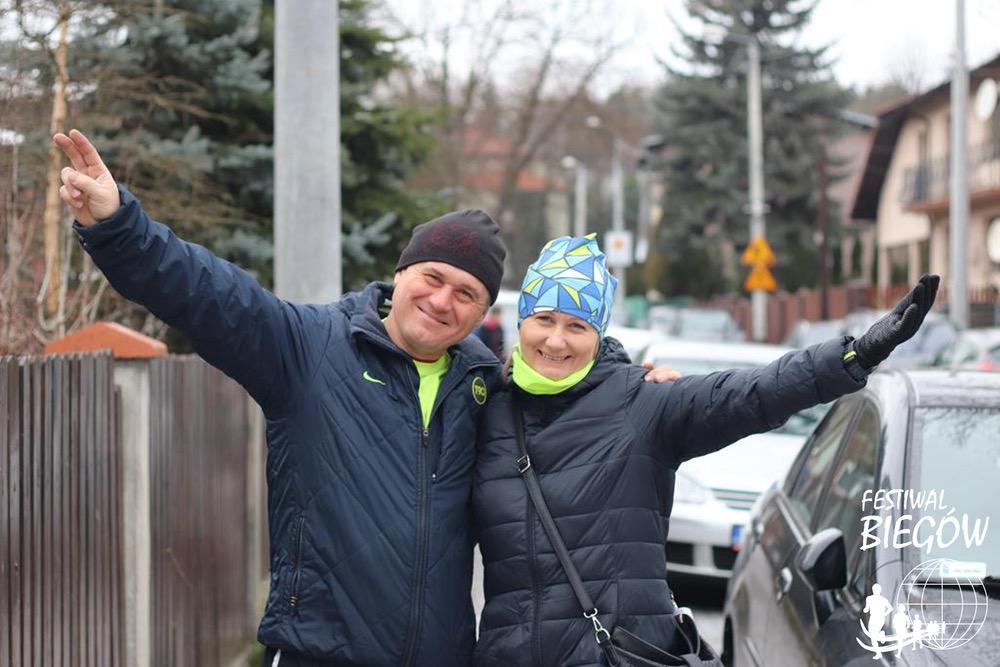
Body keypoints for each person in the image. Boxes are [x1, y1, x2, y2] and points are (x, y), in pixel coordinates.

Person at [53, 129, 506, 666]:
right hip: (316, 654)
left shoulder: (485, 390)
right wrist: (119, 226)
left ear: (482, 313)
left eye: (466, 293)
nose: (442, 301)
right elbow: (207, 295)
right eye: (433, 277)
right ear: (401, 273)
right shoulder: (311, 348)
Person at [472, 234, 939, 666]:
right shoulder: (486, 411)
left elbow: (753, 393)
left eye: (576, 325)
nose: (556, 340)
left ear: (599, 335)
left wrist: (854, 356)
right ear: (521, 321)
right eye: (544, 319)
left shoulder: (642, 404)